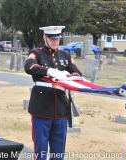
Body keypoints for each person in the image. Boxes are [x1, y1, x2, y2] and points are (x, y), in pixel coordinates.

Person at [24, 26, 82, 160]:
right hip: (41, 108)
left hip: (60, 109)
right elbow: (29, 67)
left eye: (57, 39)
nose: (55, 42)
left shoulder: (65, 55)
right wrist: (48, 71)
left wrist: (69, 75)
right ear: (45, 38)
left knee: (58, 150)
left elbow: (77, 72)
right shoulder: (37, 53)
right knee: (40, 149)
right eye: (52, 38)